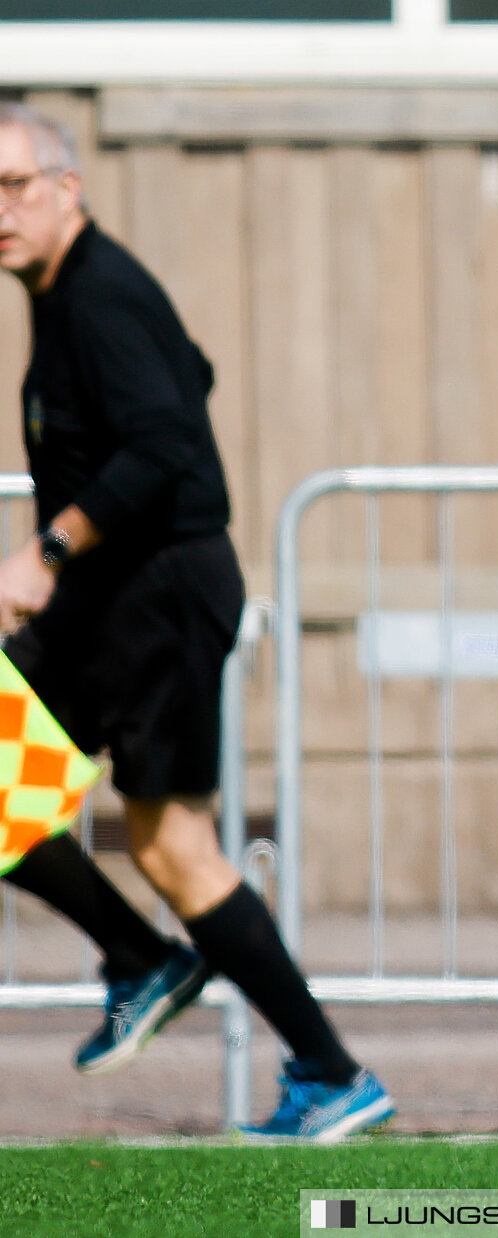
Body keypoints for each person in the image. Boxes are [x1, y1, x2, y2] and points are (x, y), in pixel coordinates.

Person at [0, 103, 392, 1142]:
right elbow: (188, 382)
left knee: (175, 846)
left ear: (67, 188)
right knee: (7, 777)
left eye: (14, 187)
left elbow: (166, 445)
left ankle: (328, 1070)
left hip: (158, 595)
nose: (0, 211)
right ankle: (140, 962)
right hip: (108, 601)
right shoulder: (68, 292)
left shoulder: (99, 294)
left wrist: (46, 549)